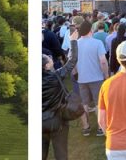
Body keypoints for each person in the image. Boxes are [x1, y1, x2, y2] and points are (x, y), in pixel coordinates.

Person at [42, 31, 77, 160]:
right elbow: (72, 61)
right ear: (46, 65)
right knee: (61, 153)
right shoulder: (56, 76)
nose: (51, 59)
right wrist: (73, 41)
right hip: (58, 120)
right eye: (49, 59)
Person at [75, 19, 108, 137]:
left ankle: (86, 127)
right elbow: (103, 61)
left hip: (82, 78)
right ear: (90, 30)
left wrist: (76, 74)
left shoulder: (76, 43)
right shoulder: (97, 43)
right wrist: (106, 75)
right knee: (99, 103)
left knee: (85, 103)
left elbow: (71, 62)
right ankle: (100, 127)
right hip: (96, 77)